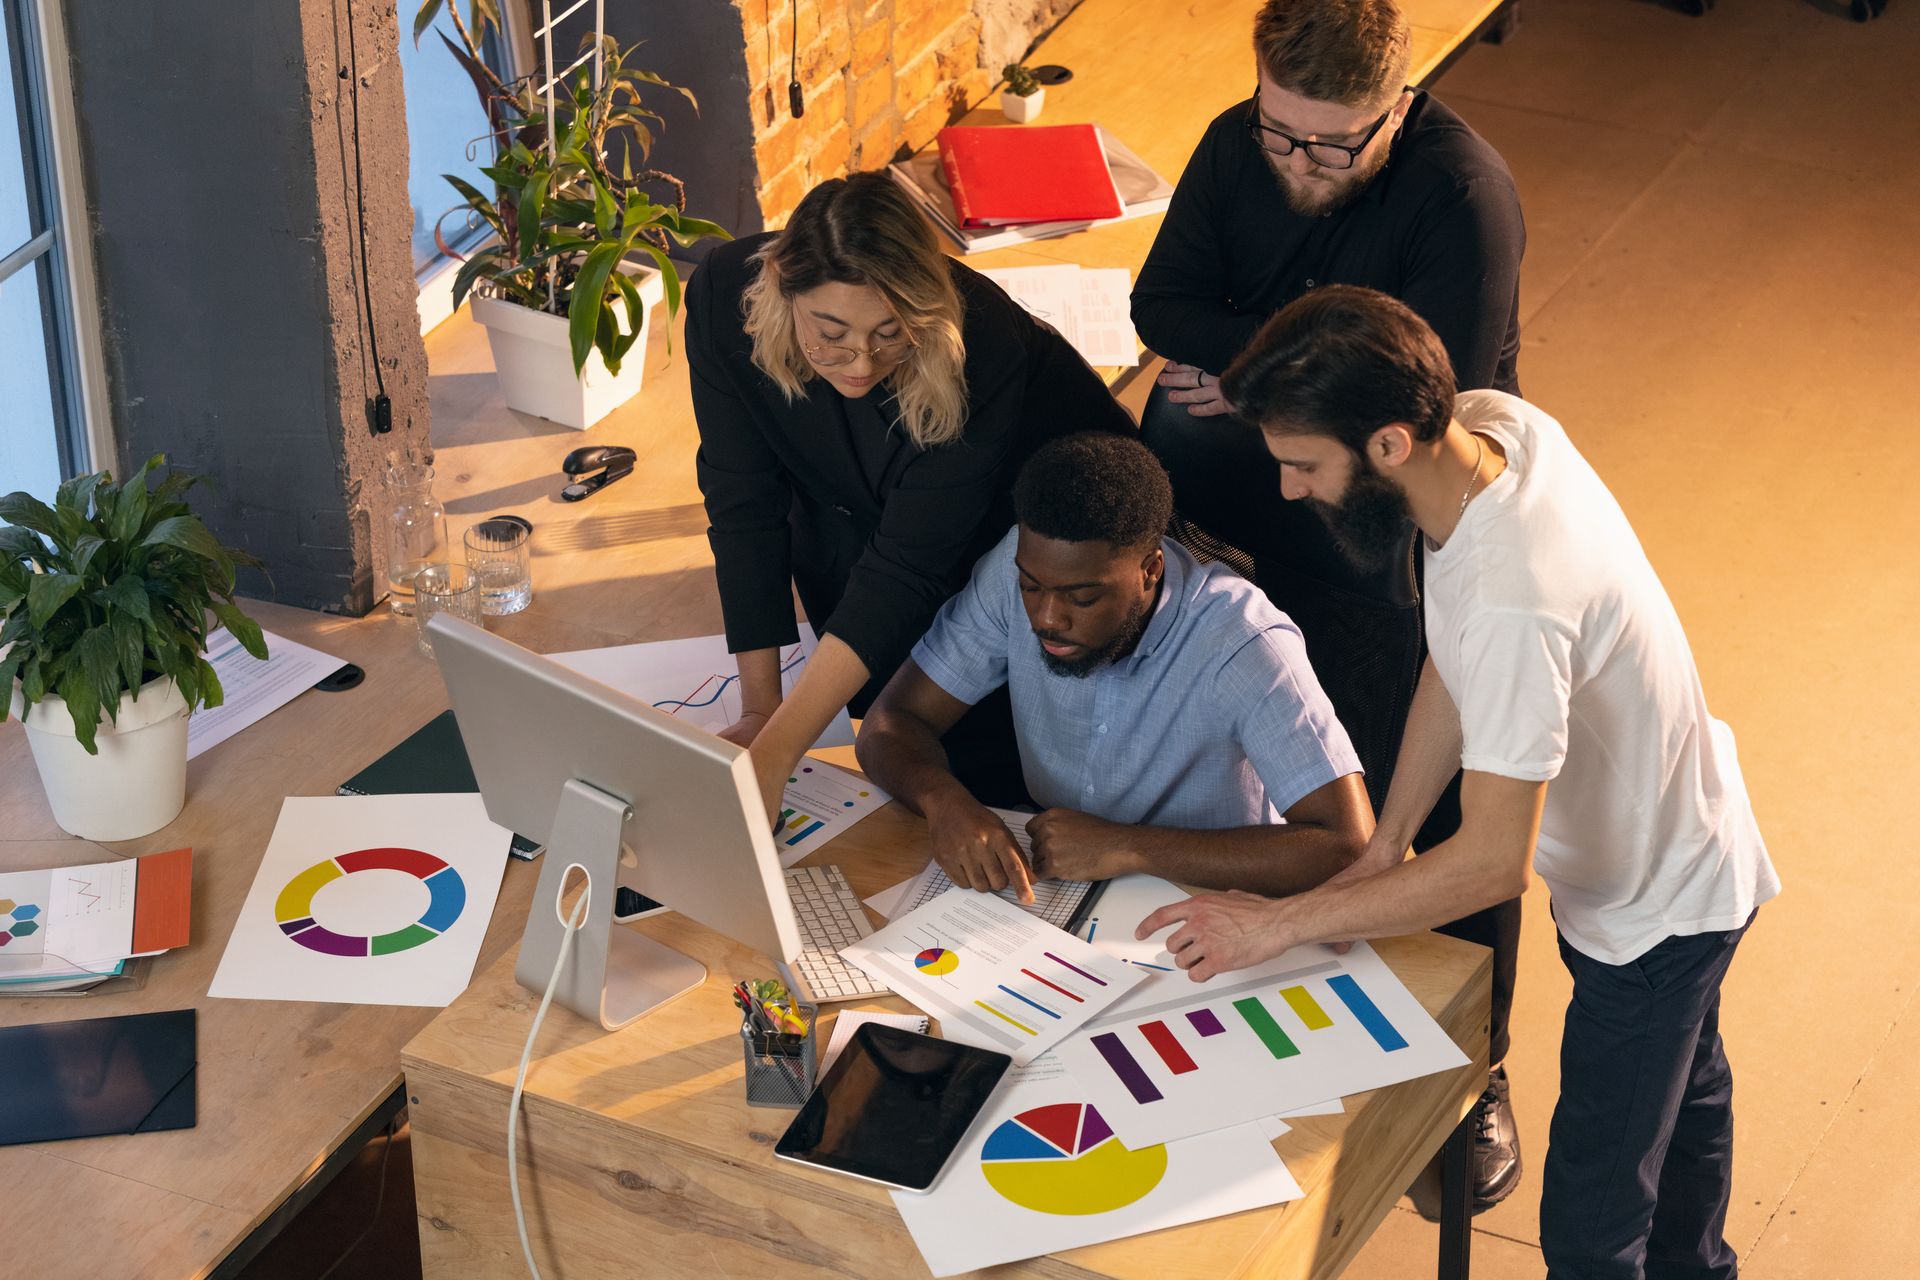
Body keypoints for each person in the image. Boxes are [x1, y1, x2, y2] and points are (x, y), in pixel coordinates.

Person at [1144, 287, 1779, 1279]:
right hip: (1679, 836)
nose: (1290, 491)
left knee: (1590, 1230)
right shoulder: (1492, 428)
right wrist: (1384, 842)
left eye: (1304, 463)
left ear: (1390, 443)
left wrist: (1274, 923)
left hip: (1653, 910)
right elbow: (1455, 651)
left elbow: (1490, 864)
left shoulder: (1518, 596)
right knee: (1686, 1096)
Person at [1130, 0, 1529, 1204]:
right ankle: (1290, 1005)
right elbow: (1160, 306)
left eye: (1333, 146)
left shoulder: (1464, 197)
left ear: (1395, 109)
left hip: (1378, 533)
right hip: (1234, 515)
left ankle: (1477, 1073)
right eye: (1280, 135)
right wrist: (1285, 390)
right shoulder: (1230, 140)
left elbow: (1419, 404)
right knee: (1269, 767)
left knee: (1427, 786)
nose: (1299, 166)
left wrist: (1244, 376)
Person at [686, 173, 1135, 824]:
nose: (861, 362)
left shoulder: (984, 344)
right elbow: (742, 502)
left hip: (1027, 539)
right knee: (880, 726)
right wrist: (762, 714)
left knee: (991, 771)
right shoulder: (723, 293)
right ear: (782, 282)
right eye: (831, 332)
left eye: (891, 332)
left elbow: (907, 567)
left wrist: (780, 751)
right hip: (867, 513)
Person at [855, 432, 1371, 904]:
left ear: (1149, 570)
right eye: (1031, 588)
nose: (1046, 618)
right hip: (1059, 884)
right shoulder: (1020, 562)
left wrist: (1125, 847)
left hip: (1212, 897)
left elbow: (1344, 845)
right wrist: (942, 799)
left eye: (1082, 597)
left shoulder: (1243, 642)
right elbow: (890, 724)